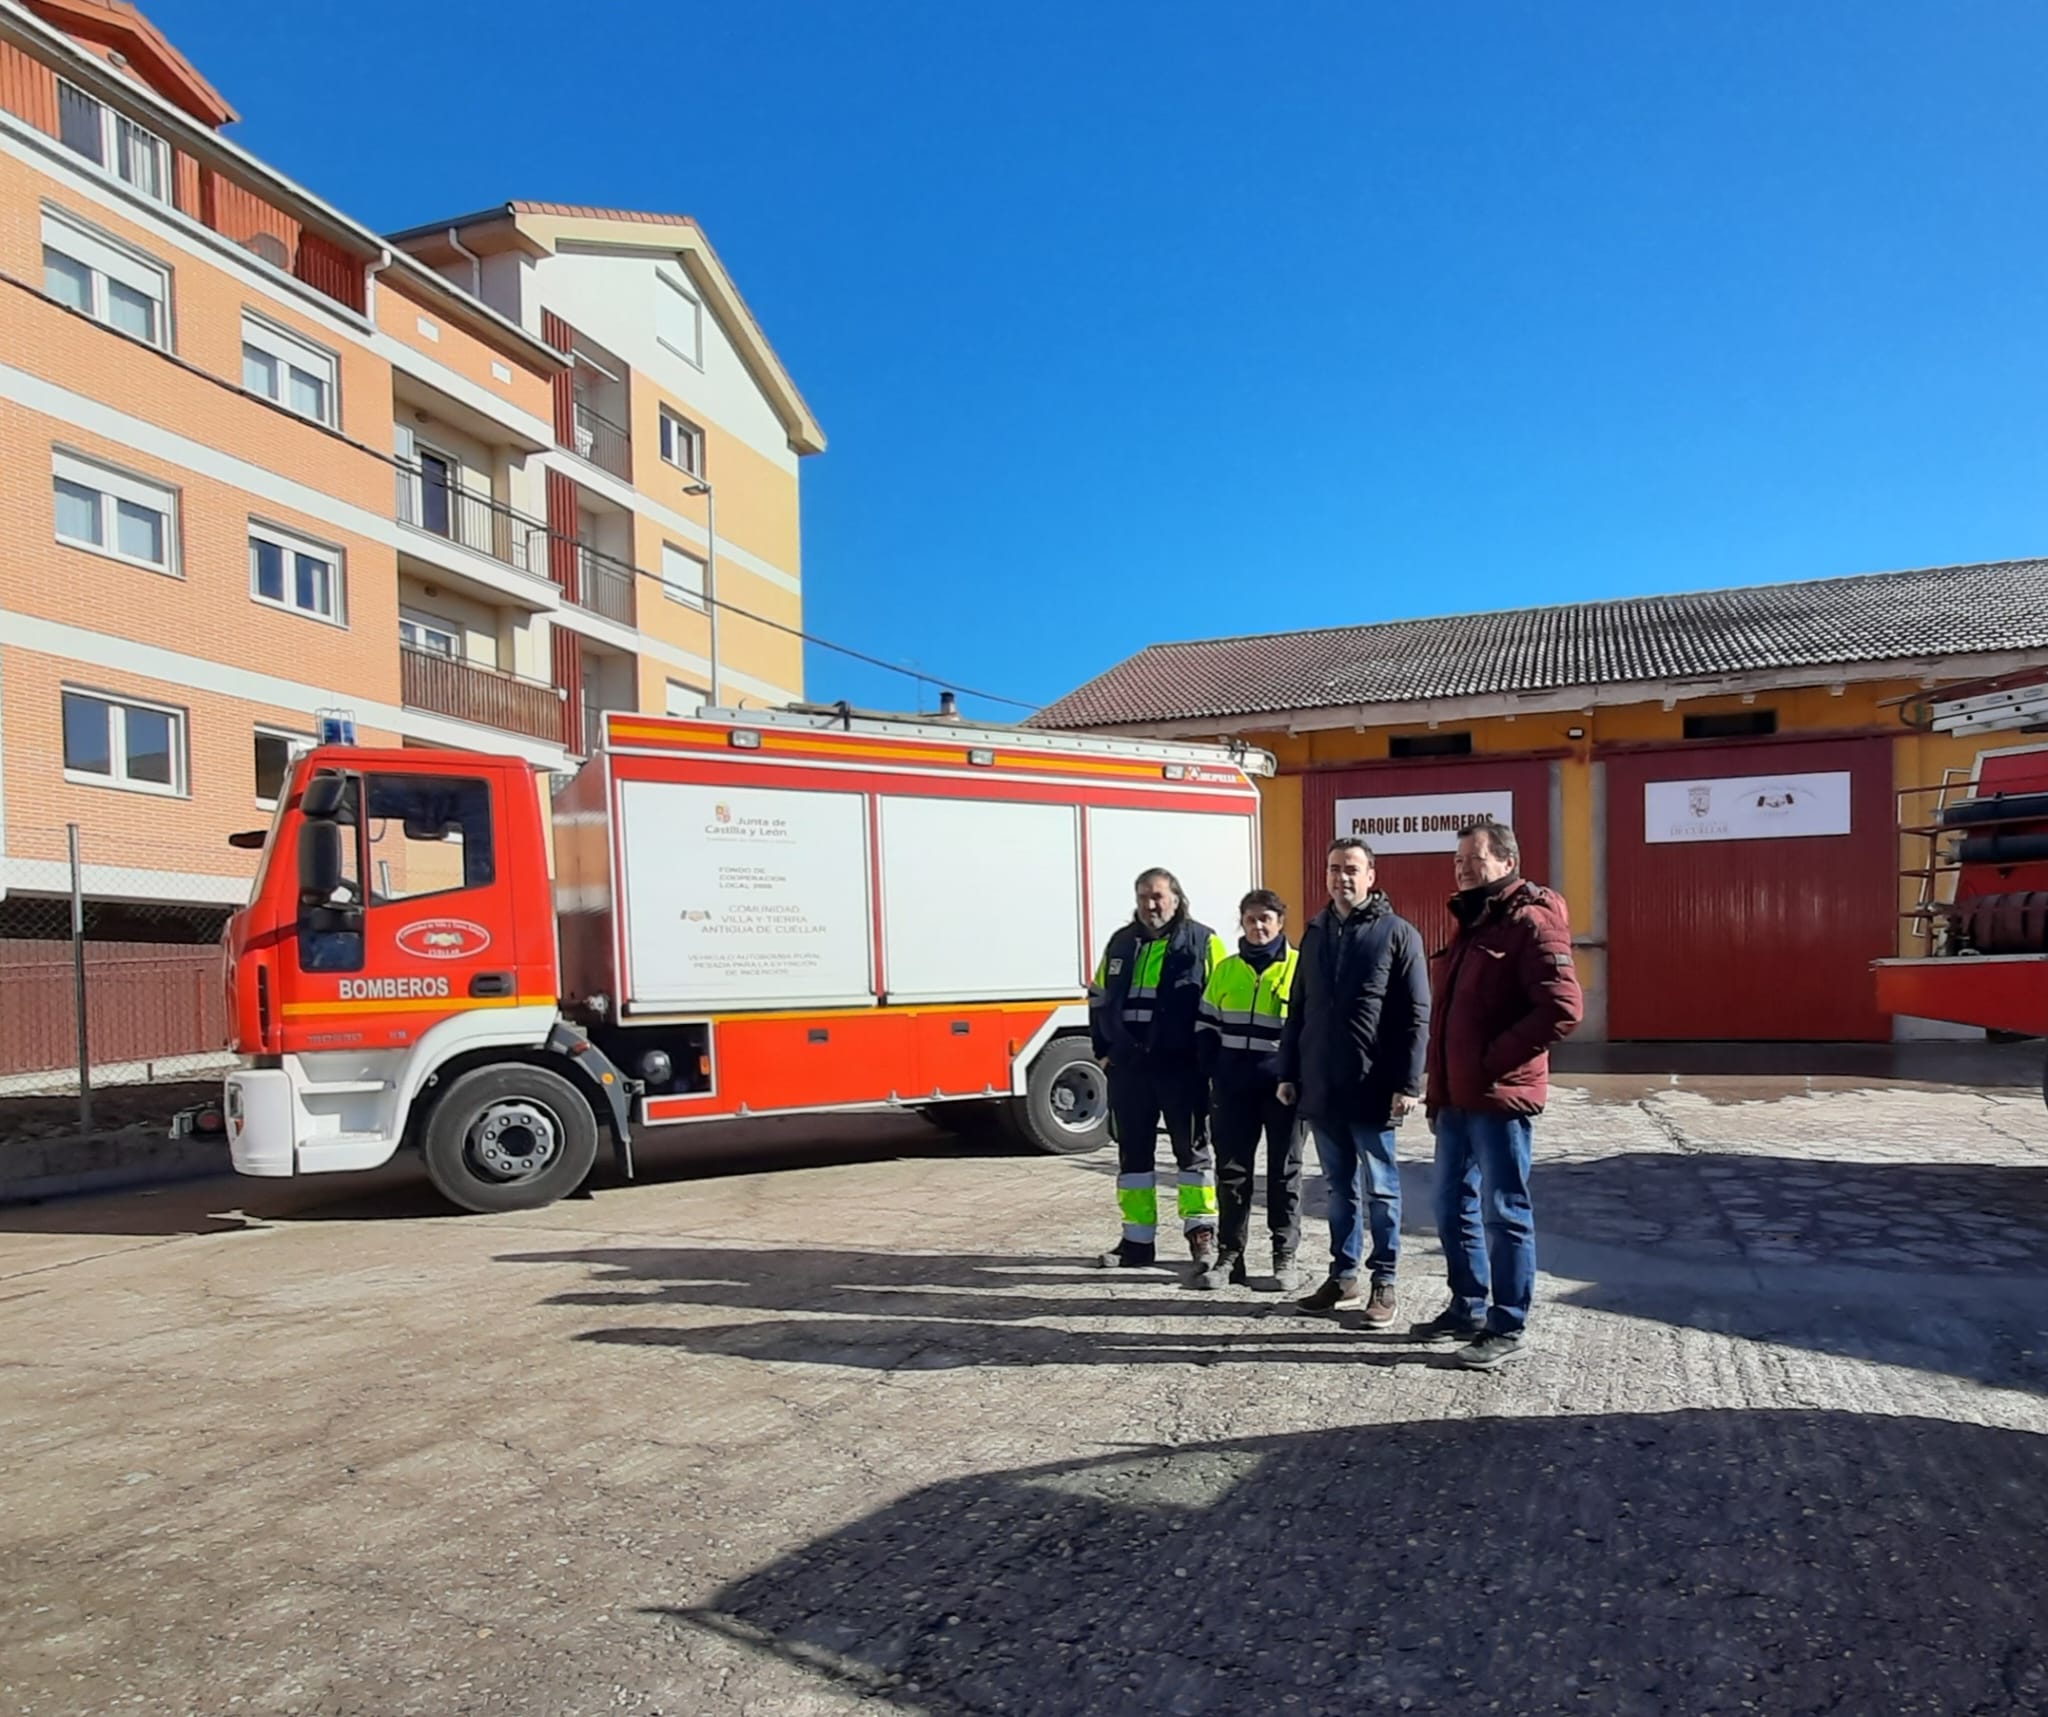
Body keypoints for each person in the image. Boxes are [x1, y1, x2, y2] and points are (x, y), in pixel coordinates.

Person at [1411, 817, 1583, 1371]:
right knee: (1450, 1205)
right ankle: (1466, 1305)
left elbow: (1562, 1010)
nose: (1462, 869)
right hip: (1457, 1099)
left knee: (1503, 1211)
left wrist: (1492, 1062)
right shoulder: (1474, 922)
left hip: (1498, 1099)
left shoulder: (1529, 923)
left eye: (1474, 860)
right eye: (1458, 861)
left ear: (1507, 862)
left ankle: (1507, 1322)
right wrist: (1439, 1087)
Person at [1276, 837, 1430, 1327]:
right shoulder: (1317, 933)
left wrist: (1408, 1083)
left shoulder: (1397, 934)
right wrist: (1288, 1071)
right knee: (1339, 1190)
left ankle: (1384, 1280)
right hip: (1322, 1086)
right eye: (1334, 868)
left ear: (1371, 877)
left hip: (1372, 1087)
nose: (1342, 877)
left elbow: (1416, 1014)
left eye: (1352, 869)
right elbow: (1297, 1009)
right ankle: (1343, 1276)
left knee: (1381, 1189)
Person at [1089, 868, 1228, 1272]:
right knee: (1133, 1157)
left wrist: (1210, 1060)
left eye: (1158, 897)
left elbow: (1219, 1001)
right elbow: (1098, 997)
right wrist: (1103, 1050)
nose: (1151, 905)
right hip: (1130, 1069)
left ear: (1177, 898)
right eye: (1143, 897)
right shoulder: (1120, 943)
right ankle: (1136, 1242)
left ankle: (1201, 1235)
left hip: (1182, 1068)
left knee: (1193, 1154)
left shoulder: (1203, 941)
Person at [1192, 888, 1305, 1292]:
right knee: (1232, 1174)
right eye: (1251, 919)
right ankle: (1229, 1256)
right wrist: (1215, 1071)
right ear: (1241, 921)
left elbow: (1309, 1032)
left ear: (1280, 923)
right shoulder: (1225, 969)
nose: (1258, 927)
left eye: (1266, 919)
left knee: (1284, 1173)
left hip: (1283, 1091)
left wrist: (1295, 1077)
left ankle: (1284, 1254)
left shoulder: (1299, 967)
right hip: (1233, 1088)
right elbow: (1205, 1026)